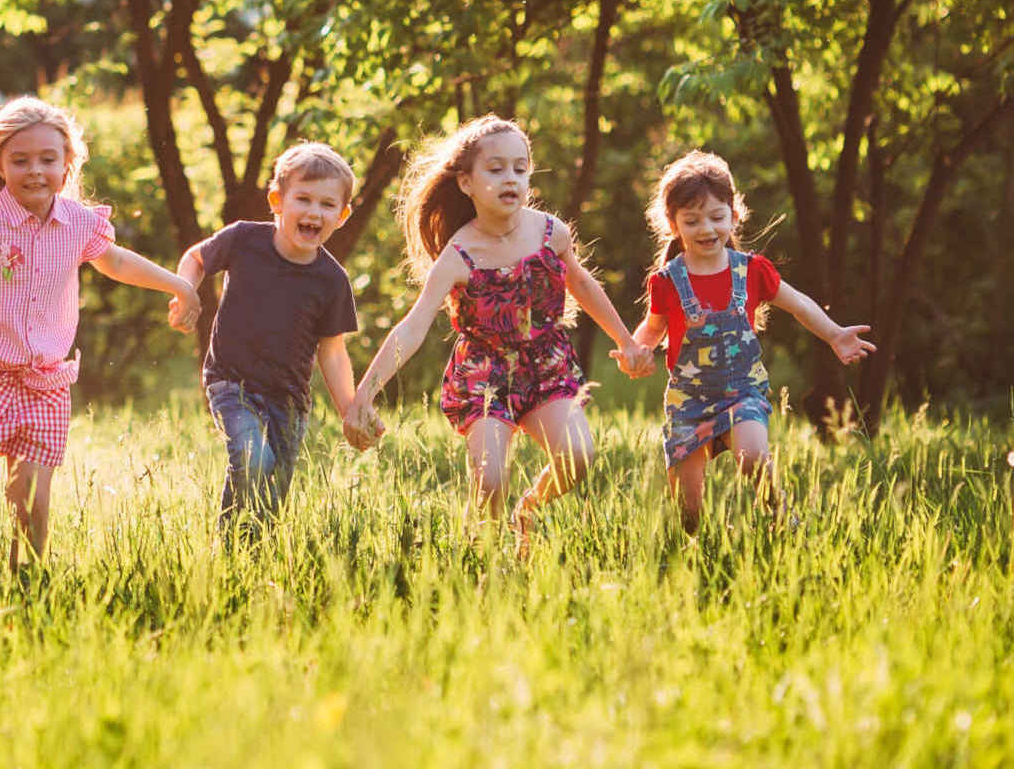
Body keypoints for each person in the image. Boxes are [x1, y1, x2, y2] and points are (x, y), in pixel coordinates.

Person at [0, 97, 199, 569]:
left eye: (48, 159)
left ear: (68, 164)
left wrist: (178, 284)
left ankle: (28, 587)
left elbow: (118, 262)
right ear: (0, 165)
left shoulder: (80, 223)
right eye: (20, 160)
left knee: (32, 504)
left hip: (42, 384)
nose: (35, 170)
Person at [344, 115, 652, 555]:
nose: (511, 178)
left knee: (578, 456)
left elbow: (582, 284)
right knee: (490, 478)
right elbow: (413, 326)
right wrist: (365, 394)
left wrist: (626, 341)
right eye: (496, 169)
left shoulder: (550, 232)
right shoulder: (458, 255)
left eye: (520, 168)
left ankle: (526, 510)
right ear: (466, 183)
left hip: (546, 367)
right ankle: (490, 553)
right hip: (485, 376)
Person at [629, 151, 874, 533]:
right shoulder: (667, 280)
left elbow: (799, 304)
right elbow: (652, 328)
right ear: (673, 224)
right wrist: (635, 350)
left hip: (742, 391)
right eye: (692, 220)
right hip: (689, 402)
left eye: (716, 217)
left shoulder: (752, 270)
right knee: (688, 508)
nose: (706, 229)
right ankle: (692, 559)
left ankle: (783, 520)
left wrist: (834, 334)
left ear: (734, 215)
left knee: (753, 456)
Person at [172, 142, 374, 539]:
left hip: (289, 401)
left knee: (269, 500)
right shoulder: (244, 240)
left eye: (327, 204)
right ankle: (226, 550)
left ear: (343, 215)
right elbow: (196, 258)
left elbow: (332, 352)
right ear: (277, 201)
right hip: (231, 381)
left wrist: (350, 409)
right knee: (252, 460)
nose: (314, 212)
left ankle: (251, 562)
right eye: (303, 199)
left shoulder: (332, 281)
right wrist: (185, 292)